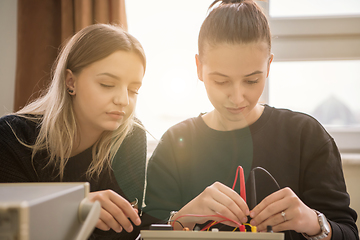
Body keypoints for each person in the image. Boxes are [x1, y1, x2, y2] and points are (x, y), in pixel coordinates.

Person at [142, 1, 359, 240]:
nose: (237, 98)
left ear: (268, 66)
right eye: (221, 81)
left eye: (251, 81)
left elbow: (348, 233)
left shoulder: (306, 136)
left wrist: (313, 222)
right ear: (198, 68)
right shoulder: (174, 144)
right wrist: (181, 219)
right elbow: (146, 233)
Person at [0, 24, 147, 240]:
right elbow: (9, 230)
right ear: (71, 81)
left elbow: (126, 232)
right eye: (107, 84)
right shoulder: (11, 137)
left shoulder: (131, 136)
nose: (123, 100)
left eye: (133, 90)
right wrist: (71, 211)